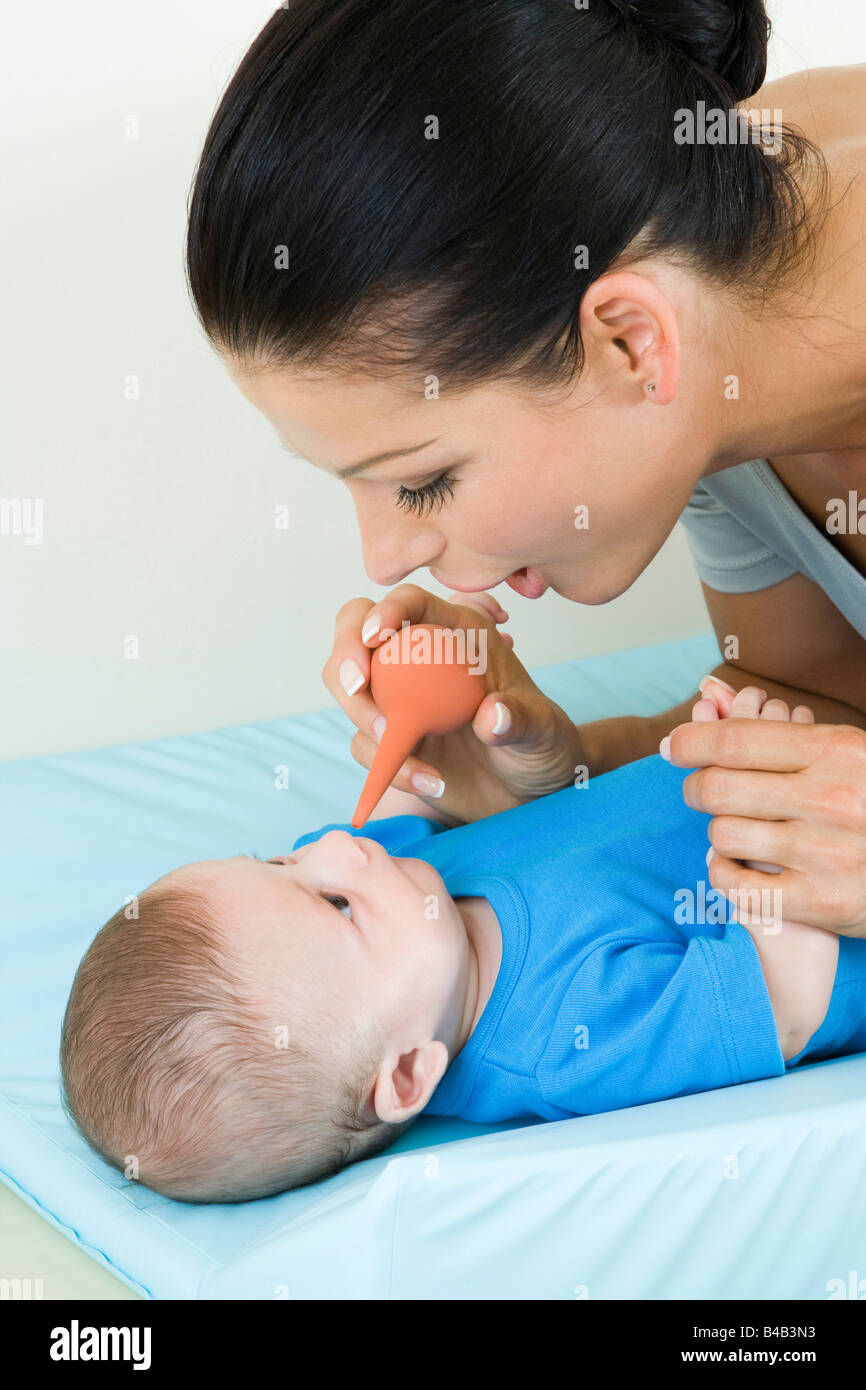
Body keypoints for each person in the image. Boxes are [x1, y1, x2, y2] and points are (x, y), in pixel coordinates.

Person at [185, 0, 866, 937]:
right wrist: (566, 771)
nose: (383, 561)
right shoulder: (701, 247)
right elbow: (834, 702)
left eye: (422, 481)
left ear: (632, 344)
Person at [59, 688, 858, 1203]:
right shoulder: (567, 1038)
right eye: (334, 904)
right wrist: (766, 814)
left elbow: (419, 778)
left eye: (279, 861)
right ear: (406, 1072)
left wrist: (418, 699)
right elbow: (785, 1000)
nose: (338, 849)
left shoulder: (408, 892)